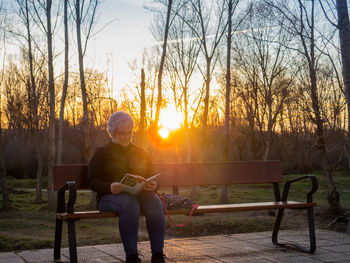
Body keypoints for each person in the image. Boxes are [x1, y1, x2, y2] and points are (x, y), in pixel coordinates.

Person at [88, 111, 166, 263]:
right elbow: (91, 181)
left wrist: (154, 185)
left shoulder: (139, 151)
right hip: (109, 197)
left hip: (138, 194)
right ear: (112, 132)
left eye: (129, 133)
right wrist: (109, 187)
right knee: (129, 204)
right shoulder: (102, 153)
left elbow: (152, 173)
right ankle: (132, 256)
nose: (125, 137)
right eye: (121, 133)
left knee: (155, 202)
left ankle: (157, 254)